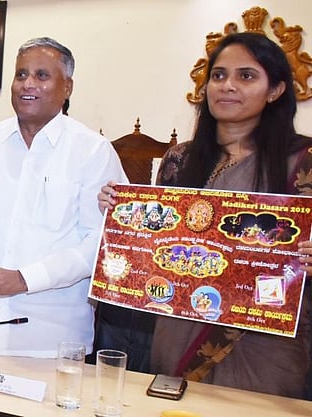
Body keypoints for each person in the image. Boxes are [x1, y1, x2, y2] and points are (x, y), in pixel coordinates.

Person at [101, 32, 312, 399]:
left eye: (246, 76)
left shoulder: (303, 162)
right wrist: (122, 213)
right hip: (176, 325)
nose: (227, 86)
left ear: (275, 90)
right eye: (218, 75)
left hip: (262, 341)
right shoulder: (179, 160)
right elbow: (156, 240)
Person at [0, 37, 126, 357]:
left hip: (52, 342)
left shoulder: (92, 151)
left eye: (42, 75)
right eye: (21, 74)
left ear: (67, 87)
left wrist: (24, 279)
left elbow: (100, 243)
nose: (27, 83)